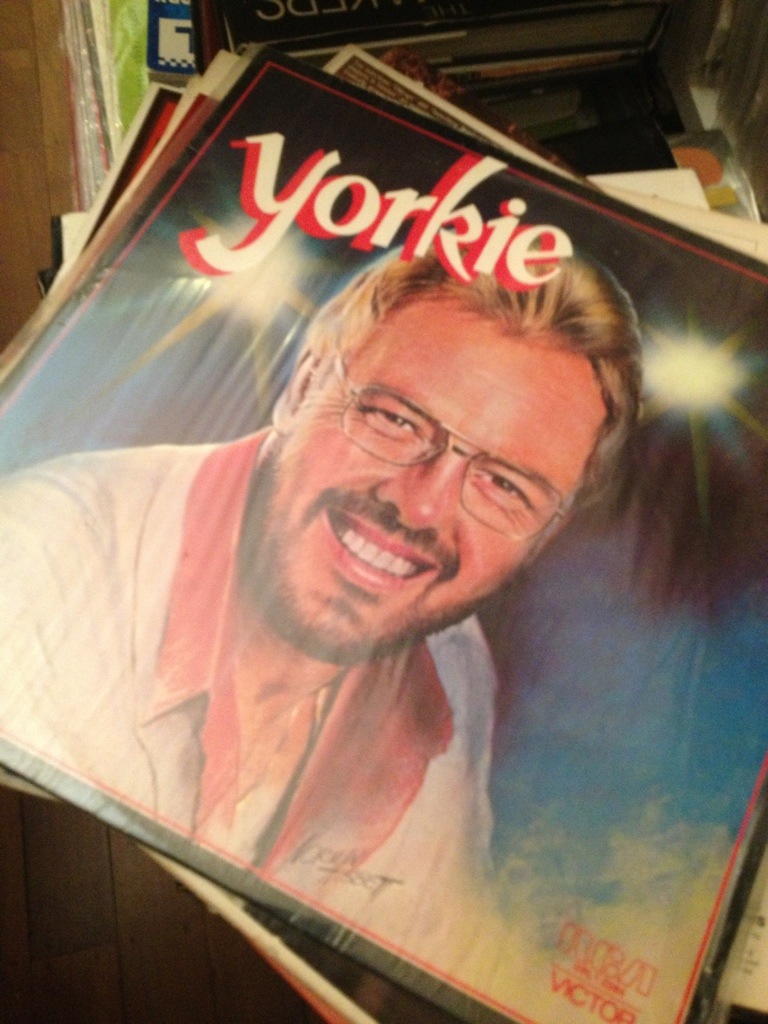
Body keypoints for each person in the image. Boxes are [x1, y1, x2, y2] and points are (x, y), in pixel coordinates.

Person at [0, 251, 641, 934]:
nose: (422, 508)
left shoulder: (457, 674)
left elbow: (436, 938)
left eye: (504, 485)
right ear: (302, 387)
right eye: (396, 419)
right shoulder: (39, 553)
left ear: (546, 534)